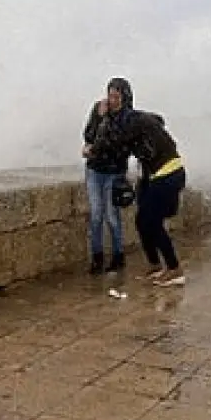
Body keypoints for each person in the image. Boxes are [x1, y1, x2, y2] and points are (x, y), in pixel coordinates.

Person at [89, 109, 187, 287]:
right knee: (141, 221)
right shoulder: (142, 127)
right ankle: (155, 266)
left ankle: (174, 269)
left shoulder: (135, 124)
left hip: (169, 174)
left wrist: (93, 149)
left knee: (152, 222)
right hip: (156, 176)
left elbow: (113, 142)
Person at [81, 78, 133, 275]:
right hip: (95, 170)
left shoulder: (127, 117)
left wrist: (95, 146)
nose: (112, 101)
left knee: (111, 216)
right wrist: (99, 117)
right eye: (110, 95)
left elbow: (116, 143)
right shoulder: (99, 109)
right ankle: (97, 258)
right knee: (95, 215)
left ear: (124, 97)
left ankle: (118, 256)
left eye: (116, 97)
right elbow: (88, 136)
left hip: (114, 172)